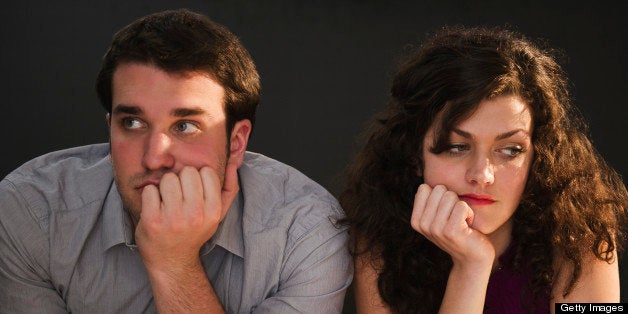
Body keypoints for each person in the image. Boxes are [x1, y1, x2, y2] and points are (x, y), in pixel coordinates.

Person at [0, 9, 352, 313]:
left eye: (185, 126)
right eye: (132, 123)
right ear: (110, 129)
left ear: (237, 140)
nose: (154, 157)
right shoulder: (31, 214)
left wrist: (174, 264)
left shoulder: (306, 232)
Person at [340, 26, 627, 313]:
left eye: (510, 150)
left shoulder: (581, 241)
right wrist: (471, 267)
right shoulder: (380, 245)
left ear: (538, 157)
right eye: (456, 147)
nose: (482, 174)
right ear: (414, 155)